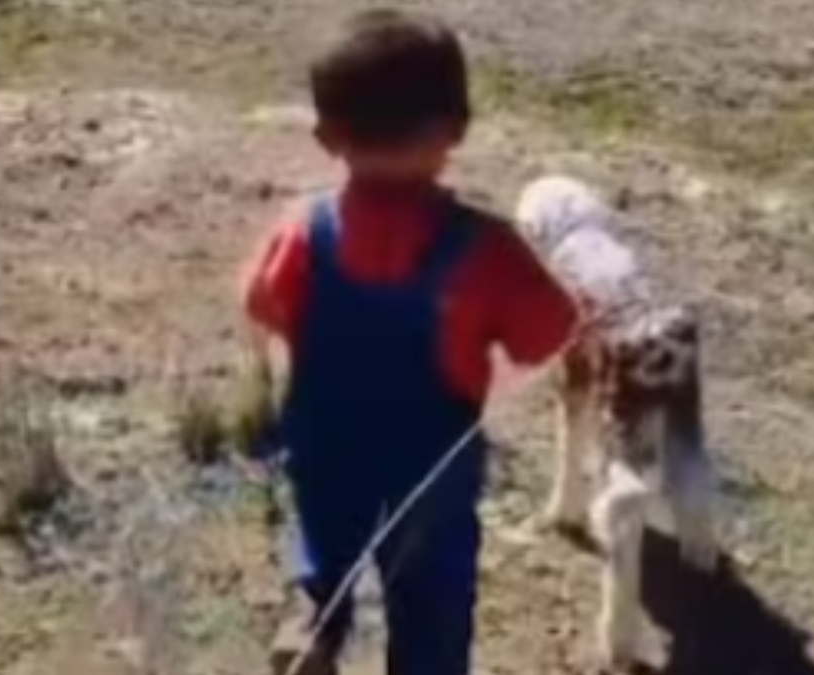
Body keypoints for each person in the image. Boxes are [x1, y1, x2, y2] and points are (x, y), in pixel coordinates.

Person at [239, 8, 578, 675]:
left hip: (327, 441)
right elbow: (549, 332)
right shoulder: (486, 248)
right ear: (456, 130)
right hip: (430, 470)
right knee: (430, 596)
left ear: (326, 136)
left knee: (324, 537)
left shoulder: (305, 231)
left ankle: (316, 615)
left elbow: (262, 303)